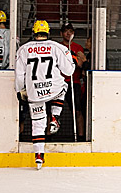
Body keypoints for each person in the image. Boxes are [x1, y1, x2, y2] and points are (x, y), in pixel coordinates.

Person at [14, 20, 75, 169]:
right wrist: (71, 60)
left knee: (38, 124)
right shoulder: (57, 47)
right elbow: (68, 71)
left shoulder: (23, 49)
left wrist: (19, 90)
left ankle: (39, 156)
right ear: (48, 32)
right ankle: (55, 115)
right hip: (53, 88)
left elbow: (19, 74)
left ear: (33, 32)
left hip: (34, 91)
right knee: (63, 86)